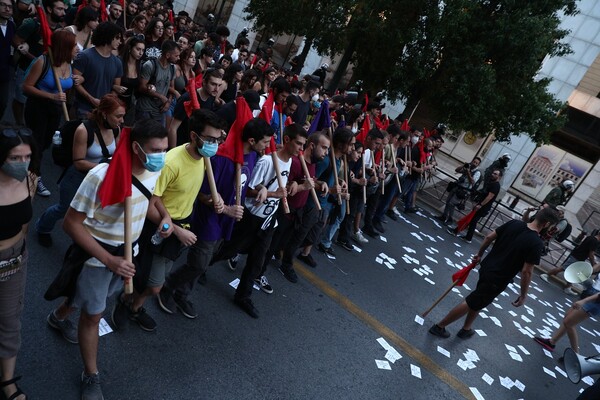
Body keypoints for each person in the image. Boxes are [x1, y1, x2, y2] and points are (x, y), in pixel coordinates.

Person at [46, 119, 169, 400]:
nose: (161, 155)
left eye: (165, 148)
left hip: (128, 254)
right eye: (155, 149)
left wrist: (165, 217)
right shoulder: (101, 175)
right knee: (94, 314)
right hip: (97, 258)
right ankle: (91, 375)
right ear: (136, 147)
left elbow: (147, 200)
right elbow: (71, 224)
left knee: (93, 299)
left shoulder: (155, 169)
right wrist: (109, 260)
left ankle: (59, 316)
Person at [113, 109, 224, 328]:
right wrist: (175, 229)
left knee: (156, 279)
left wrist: (214, 197)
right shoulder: (172, 162)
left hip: (180, 225)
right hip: (160, 228)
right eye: (210, 139)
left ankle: (135, 307)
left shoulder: (204, 158)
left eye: (218, 140)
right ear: (194, 136)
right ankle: (125, 301)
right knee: (153, 284)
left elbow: (190, 190)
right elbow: (150, 202)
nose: (215, 144)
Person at [159, 118, 273, 316]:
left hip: (226, 223)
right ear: (252, 140)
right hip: (208, 221)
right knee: (200, 262)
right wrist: (225, 208)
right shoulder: (221, 158)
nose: (268, 146)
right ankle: (167, 286)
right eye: (265, 142)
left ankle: (182, 294)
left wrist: (262, 189)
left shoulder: (253, 157)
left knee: (205, 262)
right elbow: (202, 194)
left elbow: (246, 184)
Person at [214, 124, 305, 318]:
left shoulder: (291, 163)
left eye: (303, 144)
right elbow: (247, 190)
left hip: (269, 220)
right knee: (229, 250)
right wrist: (272, 192)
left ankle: (243, 296)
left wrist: (292, 186)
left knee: (257, 261)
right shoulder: (266, 161)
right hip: (252, 216)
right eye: (298, 143)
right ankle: (201, 267)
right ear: (287, 140)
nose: (301, 148)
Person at [429, 207, 559, 339]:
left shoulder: (514, 223)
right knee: (473, 301)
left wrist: (479, 255)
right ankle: (439, 326)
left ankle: (466, 328)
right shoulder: (536, 243)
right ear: (547, 224)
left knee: (480, 300)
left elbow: (488, 237)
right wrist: (523, 294)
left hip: (487, 267)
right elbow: (527, 272)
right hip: (498, 278)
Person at [36, 94, 123, 248]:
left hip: (98, 179)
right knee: (64, 209)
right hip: (77, 178)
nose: (121, 120)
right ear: (104, 113)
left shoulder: (116, 129)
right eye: (118, 116)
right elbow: (78, 163)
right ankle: (42, 228)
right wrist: (106, 167)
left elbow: (116, 154)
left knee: (90, 213)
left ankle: (80, 244)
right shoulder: (84, 130)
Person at [0, 126, 38, 400]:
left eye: (27, 157)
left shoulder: (28, 181)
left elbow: (24, 223)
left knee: (10, 319)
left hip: (14, 258)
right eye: (15, 158)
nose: (23, 164)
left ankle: (8, 380)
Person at [264, 130, 330, 282]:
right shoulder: (294, 163)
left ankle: (261, 270)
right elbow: (284, 187)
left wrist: (320, 183)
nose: (326, 152)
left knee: (280, 244)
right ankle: (257, 273)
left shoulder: (312, 164)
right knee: (268, 245)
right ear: (312, 146)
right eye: (324, 148)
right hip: (284, 212)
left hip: (296, 213)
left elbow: (309, 180)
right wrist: (297, 185)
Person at [23, 29, 79, 197]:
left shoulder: (69, 63)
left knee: (46, 143)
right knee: (37, 145)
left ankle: (26, 168)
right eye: (74, 45)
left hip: (55, 111)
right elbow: (26, 87)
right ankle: (34, 179)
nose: (77, 48)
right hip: (37, 108)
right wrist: (51, 95)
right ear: (65, 46)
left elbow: (67, 86)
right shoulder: (43, 61)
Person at [12, 0, 66, 126]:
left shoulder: (59, 30)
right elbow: (15, 40)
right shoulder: (33, 24)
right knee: (21, 98)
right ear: (49, 9)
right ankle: (19, 124)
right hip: (26, 68)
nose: (63, 12)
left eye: (64, 9)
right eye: (59, 9)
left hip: (46, 73)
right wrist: (24, 50)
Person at [73, 21, 124, 119]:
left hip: (104, 112)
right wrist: (91, 99)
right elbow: (75, 83)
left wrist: (107, 104)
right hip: (83, 109)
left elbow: (116, 87)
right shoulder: (85, 56)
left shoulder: (117, 62)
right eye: (117, 38)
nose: (120, 41)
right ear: (108, 36)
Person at [170, 68, 223, 148]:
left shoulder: (211, 97)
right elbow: (173, 129)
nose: (217, 89)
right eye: (213, 84)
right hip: (182, 146)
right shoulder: (187, 98)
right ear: (204, 82)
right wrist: (173, 152)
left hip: (197, 146)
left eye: (219, 85)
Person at [534, 292, 600, 355]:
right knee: (567, 316)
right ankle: (552, 342)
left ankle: (576, 355)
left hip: (596, 302)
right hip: (593, 297)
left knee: (569, 323)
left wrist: (584, 300)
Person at [447, 169, 502, 243]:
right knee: (472, 220)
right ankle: (465, 236)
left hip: (483, 207)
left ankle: (458, 233)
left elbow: (489, 197)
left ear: (499, 177)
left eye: (495, 174)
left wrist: (480, 205)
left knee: (471, 220)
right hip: (482, 205)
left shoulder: (496, 185)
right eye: (493, 173)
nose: (492, 174)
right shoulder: (492, 183)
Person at [541, 230, 600, 295]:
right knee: (563, 268)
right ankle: (546, 275)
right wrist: (593, 264)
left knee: (573, 273)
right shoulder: (595, 242)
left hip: (577, 256)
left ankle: (568, 288)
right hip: (578, 257)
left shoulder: (590, 237)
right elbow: (591, 254)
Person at [136, 39, 179, 124]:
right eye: (176, 56)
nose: (178, 58)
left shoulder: (172, 68)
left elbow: (171, 88)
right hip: (146, 109)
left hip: (160, 111)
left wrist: (168, 102)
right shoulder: (150, 65)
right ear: (167, 55)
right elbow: (141, 87)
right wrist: (161, 97)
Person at [438, 157, 482, 225]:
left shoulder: (477, 173)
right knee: (448, 201)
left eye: (476, 163)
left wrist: (468, 172)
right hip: (457, 186)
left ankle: (450, 219)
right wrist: (464, 165)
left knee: (452, 203)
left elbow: (472, 182)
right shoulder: (468, 167)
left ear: (478, 165)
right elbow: (457, 170)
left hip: (463, 190)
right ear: (472, 161)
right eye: (474, 162)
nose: (474, 164)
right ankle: (444, 216)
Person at [118, 35, 145, 126]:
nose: (141, 53)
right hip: (116, 102)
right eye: (138, 49)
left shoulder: (140, 65)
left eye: (142, 50)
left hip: (130, 105)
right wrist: (114, 86)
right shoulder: (119, 62)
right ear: (130, 48)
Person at [0, 0, 16, 121]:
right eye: (3, 5)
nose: (7, 9)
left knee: (3, 103)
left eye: (10, 6)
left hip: (4, 72)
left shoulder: (11, 26)